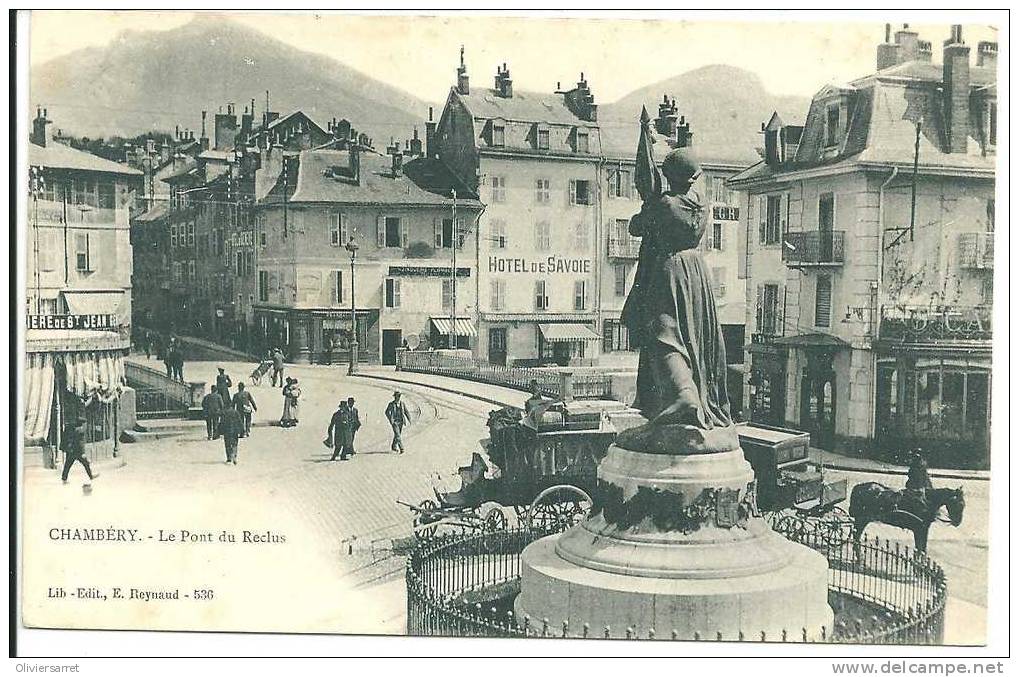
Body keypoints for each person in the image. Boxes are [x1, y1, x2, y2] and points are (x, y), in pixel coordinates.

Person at [620, 147, 732, 436]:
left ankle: (684, 396)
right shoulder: (703, 204)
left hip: (668, 271)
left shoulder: (665, 204)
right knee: (694, 337)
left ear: (669, 175)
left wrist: (650, 202)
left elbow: (635, 227)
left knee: (664, 335)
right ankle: (692, 396)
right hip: (696, 273)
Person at [60, 417, 98, 484]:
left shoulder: (73, 429)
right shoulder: (80, 431)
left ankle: (64, 478)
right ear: (82, 424)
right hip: (78, 452)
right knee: (86, 464)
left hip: (72, 451)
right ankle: (91, 476)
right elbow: (80, 443)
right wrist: (83, 452)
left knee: (67, 464)